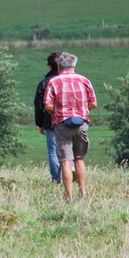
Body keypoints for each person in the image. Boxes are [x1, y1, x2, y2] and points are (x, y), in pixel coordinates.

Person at [44, 52, 97, 202]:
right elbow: (93, 103)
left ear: (59, 65)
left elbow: (48, 105)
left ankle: (69, 196)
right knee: (79, 159)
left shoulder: (54, 82)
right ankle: (83, 191)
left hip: (62, 124)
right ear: (74, 65)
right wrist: (80, 111)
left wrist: (59, 112)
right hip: (81, 123)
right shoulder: (84, 80)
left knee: (66, 160)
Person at [34, 52, 61, 184]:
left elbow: (38, 105)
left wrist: (40, 124)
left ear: (49, 67)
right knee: (69, 149)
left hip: (50, 121)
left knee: (53, 151)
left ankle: (56, 179)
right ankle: (70, 175)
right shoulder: (70, 80)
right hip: (70, 120)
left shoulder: (44, 83)